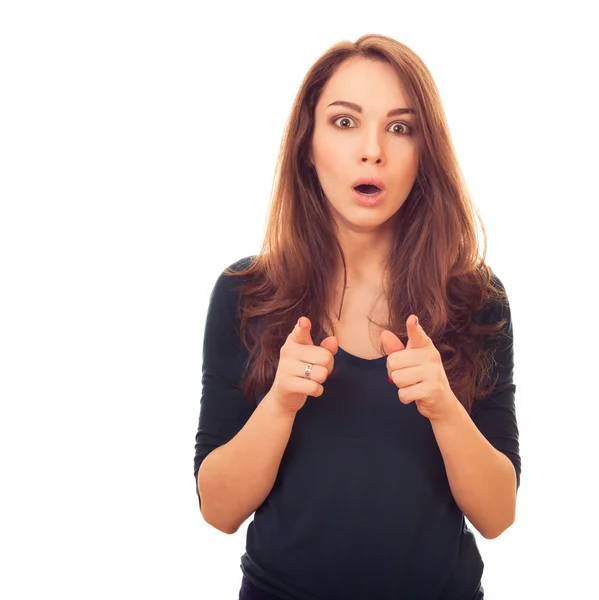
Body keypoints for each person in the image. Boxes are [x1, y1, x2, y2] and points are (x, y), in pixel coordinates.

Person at [194, 33, 520, 600]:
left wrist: (443, 408)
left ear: (425, 152)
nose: (373, 150)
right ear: (308, 144)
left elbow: (498, 515)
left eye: (400, 127)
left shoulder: (476, 298)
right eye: (345, 122)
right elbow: (218, 511)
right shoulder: (246, 294)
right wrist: (280, 404)